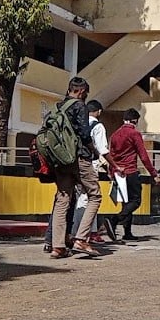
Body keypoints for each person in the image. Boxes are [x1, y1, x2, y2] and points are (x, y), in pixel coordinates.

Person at [49, 77, 103, 259]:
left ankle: (57, 246)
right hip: (78, 157)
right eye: (85, 93)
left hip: (61, 160)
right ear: (81, 91)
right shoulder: (80, 106)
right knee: (95, 194)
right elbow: (84, 134)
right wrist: (94, 152)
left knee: (62, 199)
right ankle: (81, 238)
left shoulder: (58, 107)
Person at [71, 100, 124, 243]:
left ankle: (77, 231)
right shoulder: (98, 126)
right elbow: (103, 150)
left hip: (74, 164)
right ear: (99, 111)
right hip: (89, 164)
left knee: (80, 199)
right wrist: (114, 166)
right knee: (91, 199)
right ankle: (88, 233)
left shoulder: (77, 123)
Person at [106, 108, 160, 241]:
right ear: (136, 120)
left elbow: (110, 154)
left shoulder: (115, 134)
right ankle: (114, 219)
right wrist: (153, 173)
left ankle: (127, 232)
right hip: (130, 171)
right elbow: (143, 156)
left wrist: (111, 171)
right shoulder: (134, 134)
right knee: (135, 201)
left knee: (126, 203)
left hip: (117, 172)